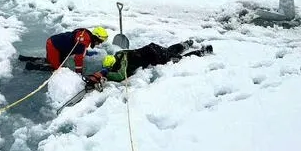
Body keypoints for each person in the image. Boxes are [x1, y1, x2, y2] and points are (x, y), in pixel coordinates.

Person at [85, 40, 213, 85]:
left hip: (156, 56)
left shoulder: (123, 62)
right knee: (169, 50)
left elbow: (120, 75)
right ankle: (185, 44)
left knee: (179, 59)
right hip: (151, 48)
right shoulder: (120, 53)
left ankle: (201, 52)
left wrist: (106, 74)